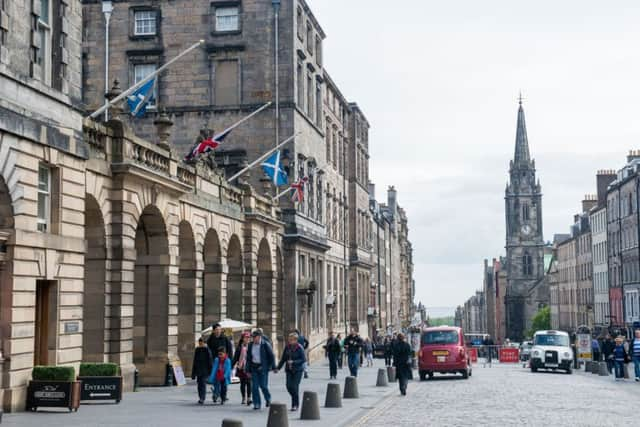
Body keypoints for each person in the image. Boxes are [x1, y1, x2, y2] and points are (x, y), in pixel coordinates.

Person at [276, 332, 307, 411]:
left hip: (298, 370)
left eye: (291, 339)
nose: (290, 341)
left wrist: (294, 362)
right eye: (289, 339)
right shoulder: (287, 347)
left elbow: (303, 359)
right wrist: (278, 368)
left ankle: (295, 404)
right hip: (289, 370)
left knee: (294, 386)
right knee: (288, 386)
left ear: (295, 340)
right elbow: (283, 359)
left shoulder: (299, 348)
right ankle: (295, 398)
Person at [247, 329, 276, 410]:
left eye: (255, 337)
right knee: (254, 387)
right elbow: (248, 358)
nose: (253, 339)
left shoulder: (265, 344)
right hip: (254, 367)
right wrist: (248, 370)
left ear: (259, 337)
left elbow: (271, 356)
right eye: (252, 337)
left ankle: (268, 399)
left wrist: (273, 367)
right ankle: (257, 403)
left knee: (263, 386)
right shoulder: (250, 345)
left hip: (263, 368)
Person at [232, 331, 252, 406]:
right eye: (246, 337)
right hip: (241, 367)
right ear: (243, 338)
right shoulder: (240, 347)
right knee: (243, 383)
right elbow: (235, 358)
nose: (247, 339)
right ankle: (243, 397)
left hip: (249, 367)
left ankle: (249, 398)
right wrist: (232, 366)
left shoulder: (251, 346)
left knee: (249, 382)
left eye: (248, 338)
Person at [191, 337, 212, 404]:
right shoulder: (197, 349)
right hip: (199, 370)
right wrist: (193, 373)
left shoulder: (207, 350)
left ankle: (202, 398)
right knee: (199, 384)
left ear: (204, 343)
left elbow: (210, 361)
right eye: (199, 343)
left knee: (202, 383)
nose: (200, 344)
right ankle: (200, 397)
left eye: (201, 343)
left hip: (205, 370)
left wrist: (210, 371)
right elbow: (195, 361)